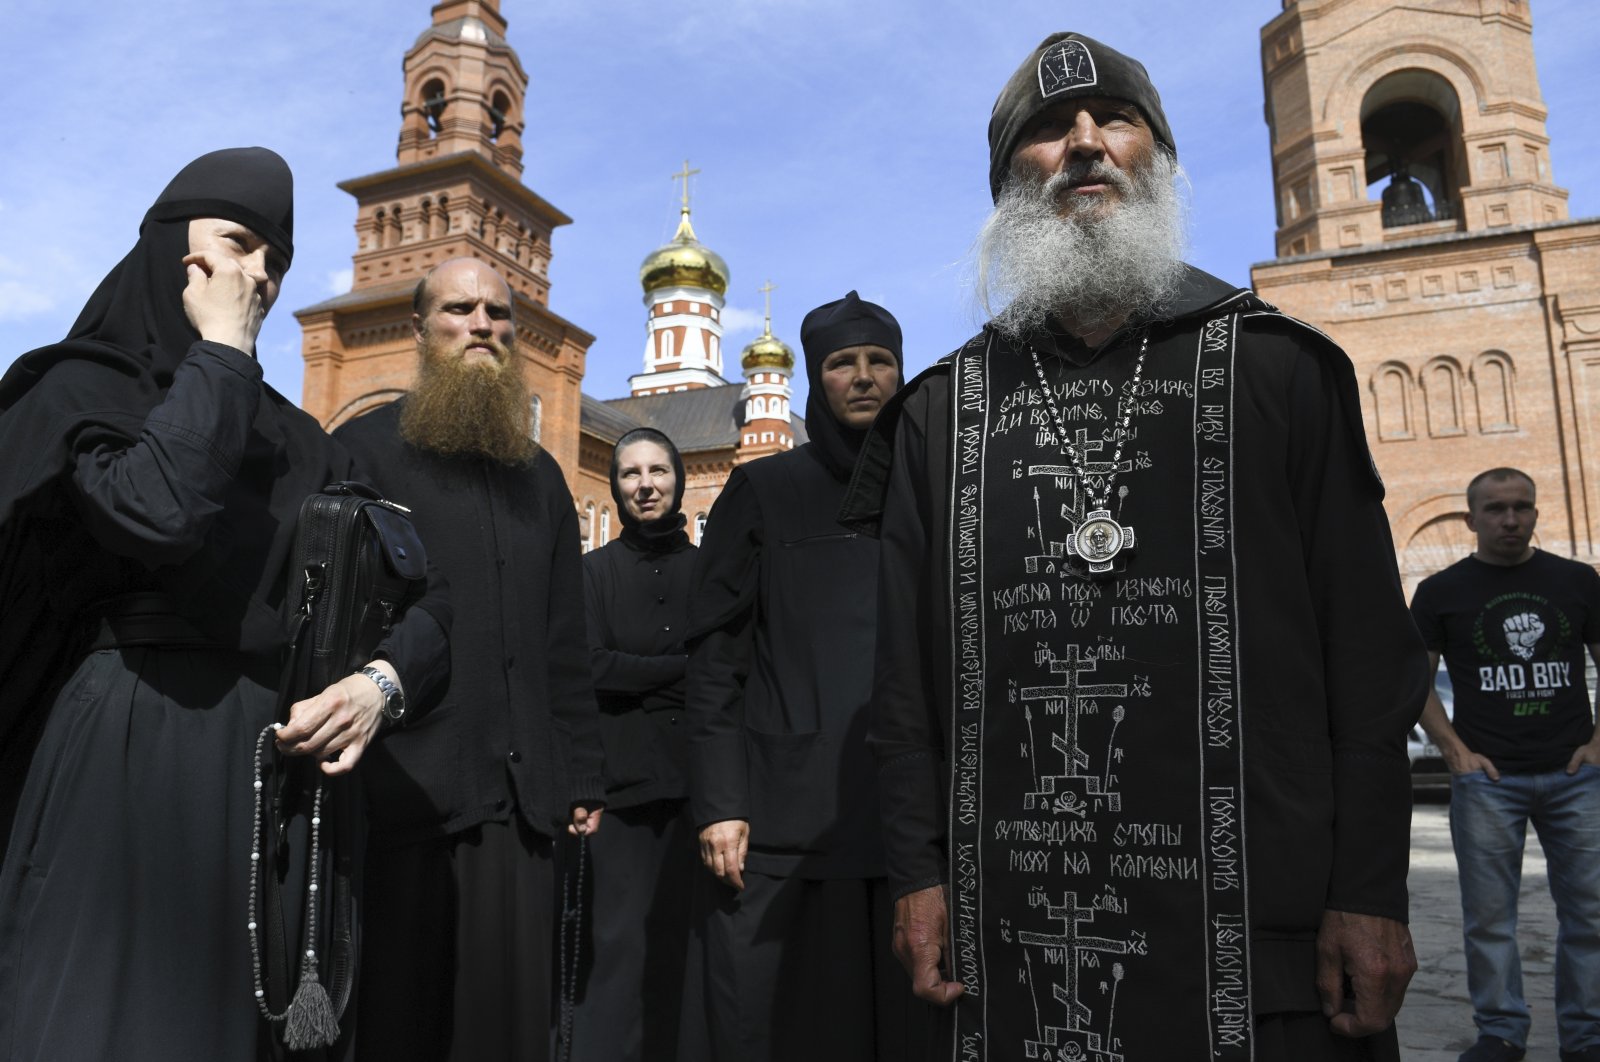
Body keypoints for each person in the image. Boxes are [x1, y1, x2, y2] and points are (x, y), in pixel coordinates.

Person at [840, 33, 1429, 1061]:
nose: (1082, 144)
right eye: (1043, 131)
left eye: (1116, 121)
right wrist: (919, 873)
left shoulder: (1278, 372)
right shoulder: (940, 413)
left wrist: (1371, 890)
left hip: (1267, 925)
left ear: (1157, 158)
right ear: (1006, 183)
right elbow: (904, 688)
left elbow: (1369, 656)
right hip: (1013, 929)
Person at [0, 147, 450, 1061]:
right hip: (129, 754)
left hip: (271, 784)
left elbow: (428, 602)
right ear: (174, 249)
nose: (260, 275)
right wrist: (222, 351)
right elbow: (160, 511)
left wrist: (380, 684)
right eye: (239, 244)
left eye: (275, 260)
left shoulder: (296, 439)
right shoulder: (81, 389)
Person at [333, 257, 604, 1061]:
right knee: (402, 1023)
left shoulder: (543, 478)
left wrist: (581, 770)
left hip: (522, 801)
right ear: (420, 331)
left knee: (510, 1028)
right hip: (410, 790)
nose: (483, 324)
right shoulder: (363, 453)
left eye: (498, 314)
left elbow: (565, 638)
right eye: (460, 309)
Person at [684, 291, 935, 1060]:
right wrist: (721, 800)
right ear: (815, 378)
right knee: (795, 1025)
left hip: (914, 821)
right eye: (840, 363)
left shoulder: (936, 485)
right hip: (790, 818)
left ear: (901, 372)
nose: (862, 378)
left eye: (878, 360)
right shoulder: (765, 491)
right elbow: (714, 656)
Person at [1410, 468, 1600, 1062]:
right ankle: (1500, 1031)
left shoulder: (1577, 581)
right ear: (1471, 519)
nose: (1510, 519)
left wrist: (1599, 743)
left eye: (1521, 507)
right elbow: (1413, 677)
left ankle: (1587, 1036)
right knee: (1489, 919)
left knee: (1591, 916)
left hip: (1576, 776)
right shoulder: (1441, 592)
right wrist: (1452, 751)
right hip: (1488, 780)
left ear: (1537, 514)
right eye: (1495, 509)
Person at [570, 427, 697, 1061]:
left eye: (658, 471)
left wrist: (636, 672)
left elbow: (730, 672)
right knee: (618, 947)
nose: (645, 485)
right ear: (616, 488)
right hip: (621, 792)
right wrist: (681, 671)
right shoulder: (592, 573)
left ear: (679, 480)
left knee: (689, 946)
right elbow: (591, 668)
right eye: (630, 475)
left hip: (701, 792)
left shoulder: (710, 570)